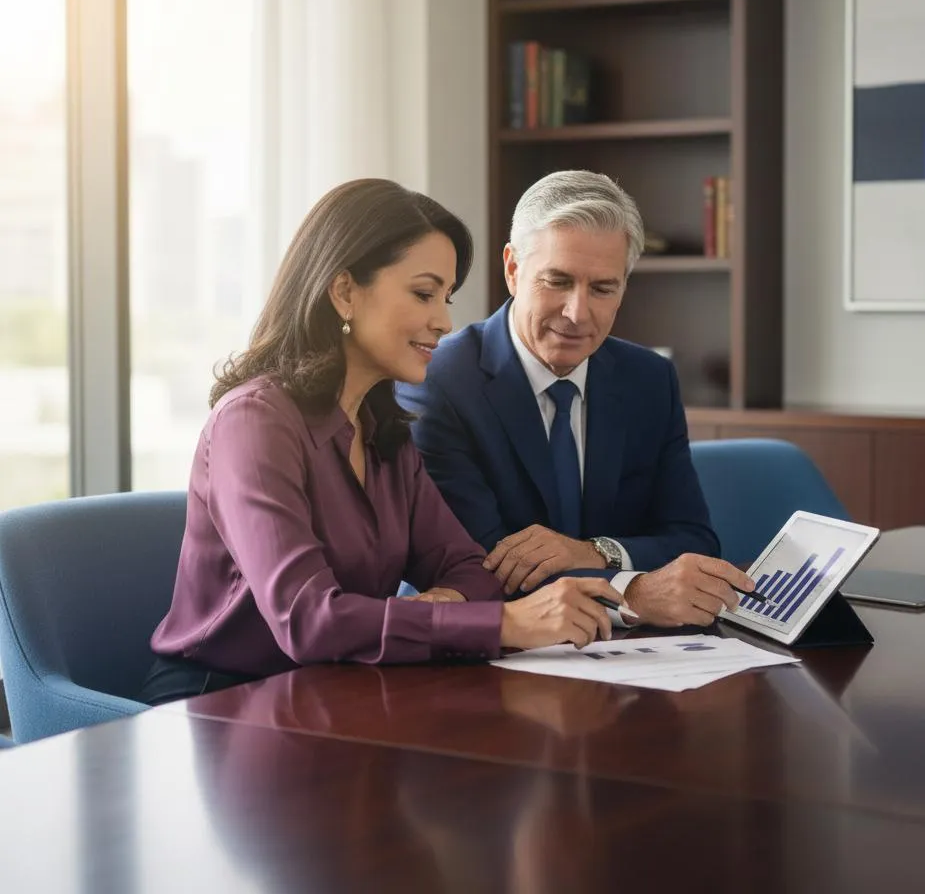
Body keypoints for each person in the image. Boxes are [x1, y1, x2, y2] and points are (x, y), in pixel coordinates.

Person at [142, 179, 624, 705]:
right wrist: (501, 622)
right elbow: (308, 620)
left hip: (336, 688)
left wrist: (444, 609)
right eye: (423, 293)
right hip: (222, 702)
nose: (443, 322)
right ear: (345, 291)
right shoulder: (254, 422)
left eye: (446, 298)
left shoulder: (384, 430)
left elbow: (471, 570)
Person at [396, 170, 754, 627]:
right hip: (478, 648)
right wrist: (635, 593)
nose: (577, 313)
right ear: (512, 269)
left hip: (626, 661)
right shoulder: (437, 381)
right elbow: (479, 567)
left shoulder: (649, 379)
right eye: (558, 281)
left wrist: (591, 552)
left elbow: (693, 541)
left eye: (603, 288)